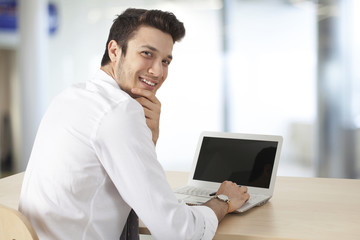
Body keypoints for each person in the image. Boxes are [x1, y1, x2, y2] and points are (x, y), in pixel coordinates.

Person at [19, 8, 250, 240]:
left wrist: (148, 137)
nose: (158, 71)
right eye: (147, 53)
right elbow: (177, 231)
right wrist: (222, 201)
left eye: (165, 61)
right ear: (115, 51)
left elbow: (125, 182)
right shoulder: (119, 110)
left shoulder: (71, 95)